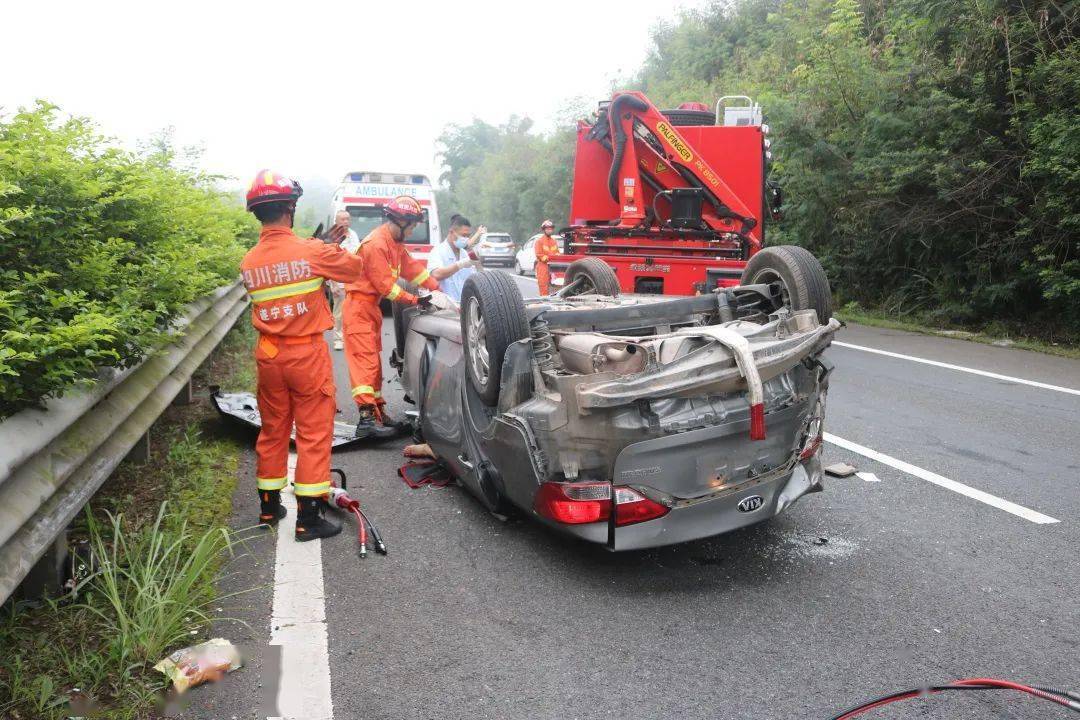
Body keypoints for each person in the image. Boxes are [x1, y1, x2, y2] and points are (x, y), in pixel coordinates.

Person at [240, 170, 364, 541]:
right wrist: (327, 247)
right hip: (305, 354)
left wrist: (316, 246)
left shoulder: (248, 261)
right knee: (312, 432)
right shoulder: (311, 252)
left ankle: (268, 506)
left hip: (269, 355)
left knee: (273, 430)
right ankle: (308, 519)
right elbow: (353, 269)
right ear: (290, 207)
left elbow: (281, 271)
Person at [342, 195, 453, 438]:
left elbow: (412, 268)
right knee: (365, 362)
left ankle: (379, 414)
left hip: (369, 310)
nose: (413, 230)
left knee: (374, 364)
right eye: (411, 225)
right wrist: (416, 300)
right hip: (359, 309)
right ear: (400, 221)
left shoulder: (394, 244)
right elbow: (386, 287)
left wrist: (436, 288)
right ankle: (366, 420)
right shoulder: (375, 244)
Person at [426, 215, 486, 302]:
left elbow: (475, 281)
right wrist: (460, 264)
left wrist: (479, 266)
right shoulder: (438, 251)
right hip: (444, 309)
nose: (466, 239)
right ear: (451, 232)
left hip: (464, 307)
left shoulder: (465, 254)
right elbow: (436, 275)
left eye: (468, 236)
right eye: (463, 235)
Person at [328, 210, 361, 351]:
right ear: (336, 221)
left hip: (354, 281)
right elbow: (328, 261)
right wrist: (333, 284)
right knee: (339, 312)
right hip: (339, 281)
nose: (346, 222)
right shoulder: (331, 237)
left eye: (348, 219)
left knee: (353, 311)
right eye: (342, 219)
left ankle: (351, 337)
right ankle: (338, 339)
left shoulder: (353, 234)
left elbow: (358, 255)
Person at [534, 220, 560, 295]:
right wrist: (549, 258)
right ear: (544, 230)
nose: (549, 230)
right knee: (543, 286)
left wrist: (557, 257)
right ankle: (544, 302)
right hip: (543, 267)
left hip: (554, 267)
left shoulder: (554, 241)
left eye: (550, 229)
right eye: (547, 229)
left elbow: (557, 252)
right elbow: (539, 254)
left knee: (555, 286)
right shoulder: (539, 241)